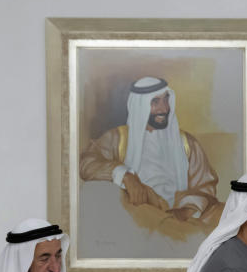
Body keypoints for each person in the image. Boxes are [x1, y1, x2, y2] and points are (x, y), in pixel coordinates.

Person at [79, 76, 221, 223]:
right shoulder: (118, 138)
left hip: (180, 218)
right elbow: (86, 163)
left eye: (166, 99)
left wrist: (185, 211)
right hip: (135, 216)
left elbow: (206, 185)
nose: (164, 108)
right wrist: (126, 176)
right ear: (140, 106)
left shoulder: (187, 143)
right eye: (155, 102)